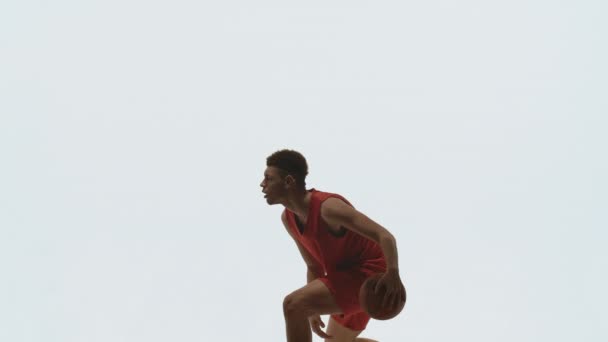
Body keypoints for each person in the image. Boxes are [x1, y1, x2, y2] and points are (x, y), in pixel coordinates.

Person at [260, 149, 406, 342]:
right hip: (342, 278)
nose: (262, 184)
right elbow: (313, 266)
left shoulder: (328, 208)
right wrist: (312, 311)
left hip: (370, 276)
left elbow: (385, 236)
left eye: (268, 178)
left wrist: (393, 274)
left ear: (288, 181)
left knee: (293, 305)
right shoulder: (288, 219)